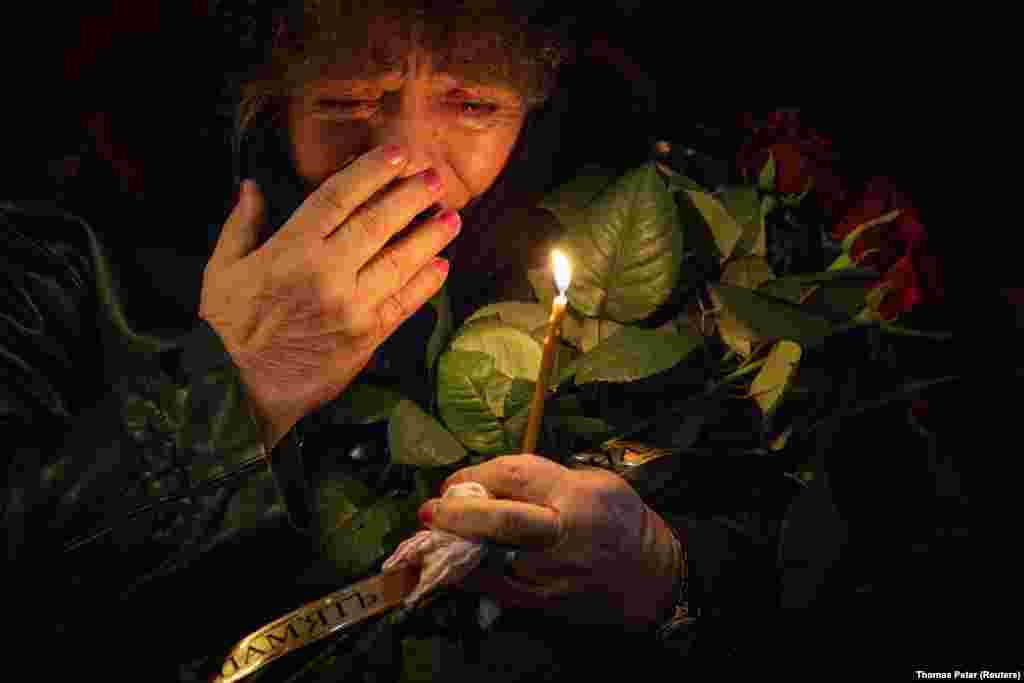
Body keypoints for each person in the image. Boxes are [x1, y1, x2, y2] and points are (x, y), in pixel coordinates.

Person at [5, 1, 788, 680]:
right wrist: (238, 385)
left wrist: (663, 574)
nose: (411, 161)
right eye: (348, 101)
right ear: (271, 93)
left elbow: (792, 568)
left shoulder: (637, 229)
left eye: (475, 105)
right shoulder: (73, 242)